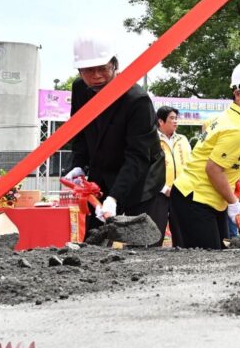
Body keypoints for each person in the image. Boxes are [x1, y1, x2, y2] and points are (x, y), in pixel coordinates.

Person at [64, 38, 165, 239]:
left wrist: (114, 197)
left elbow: (138, 155)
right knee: (94, 237)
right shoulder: (80, 89)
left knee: (142, 240)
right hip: (101, 173)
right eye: (88, 70)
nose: (96, 76)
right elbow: (80, 130)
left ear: (114, 65)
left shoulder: (137, 99)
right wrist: (78, 164)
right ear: (79, 71)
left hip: (141, 177)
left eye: (103, 69)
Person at [171, 60, 240, 249]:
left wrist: (234, 193)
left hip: (205, 199)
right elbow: (213, 169)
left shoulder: (229, 118)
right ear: (237, 93)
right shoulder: (236, 127)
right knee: (207, 259)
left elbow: (223, 163)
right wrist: (233, 202)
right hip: (195, 198)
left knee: (219, 252)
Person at [155, 106, 191, 246]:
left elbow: (191, 164)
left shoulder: (183, 139)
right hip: (159, 193)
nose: (175, 121)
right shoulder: (152, 140)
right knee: (156, 233)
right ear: (161, 121)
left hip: (181, 192)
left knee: (182, 234)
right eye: (171, 118)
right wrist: (164, 188)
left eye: (176, 118)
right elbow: (148, 169)